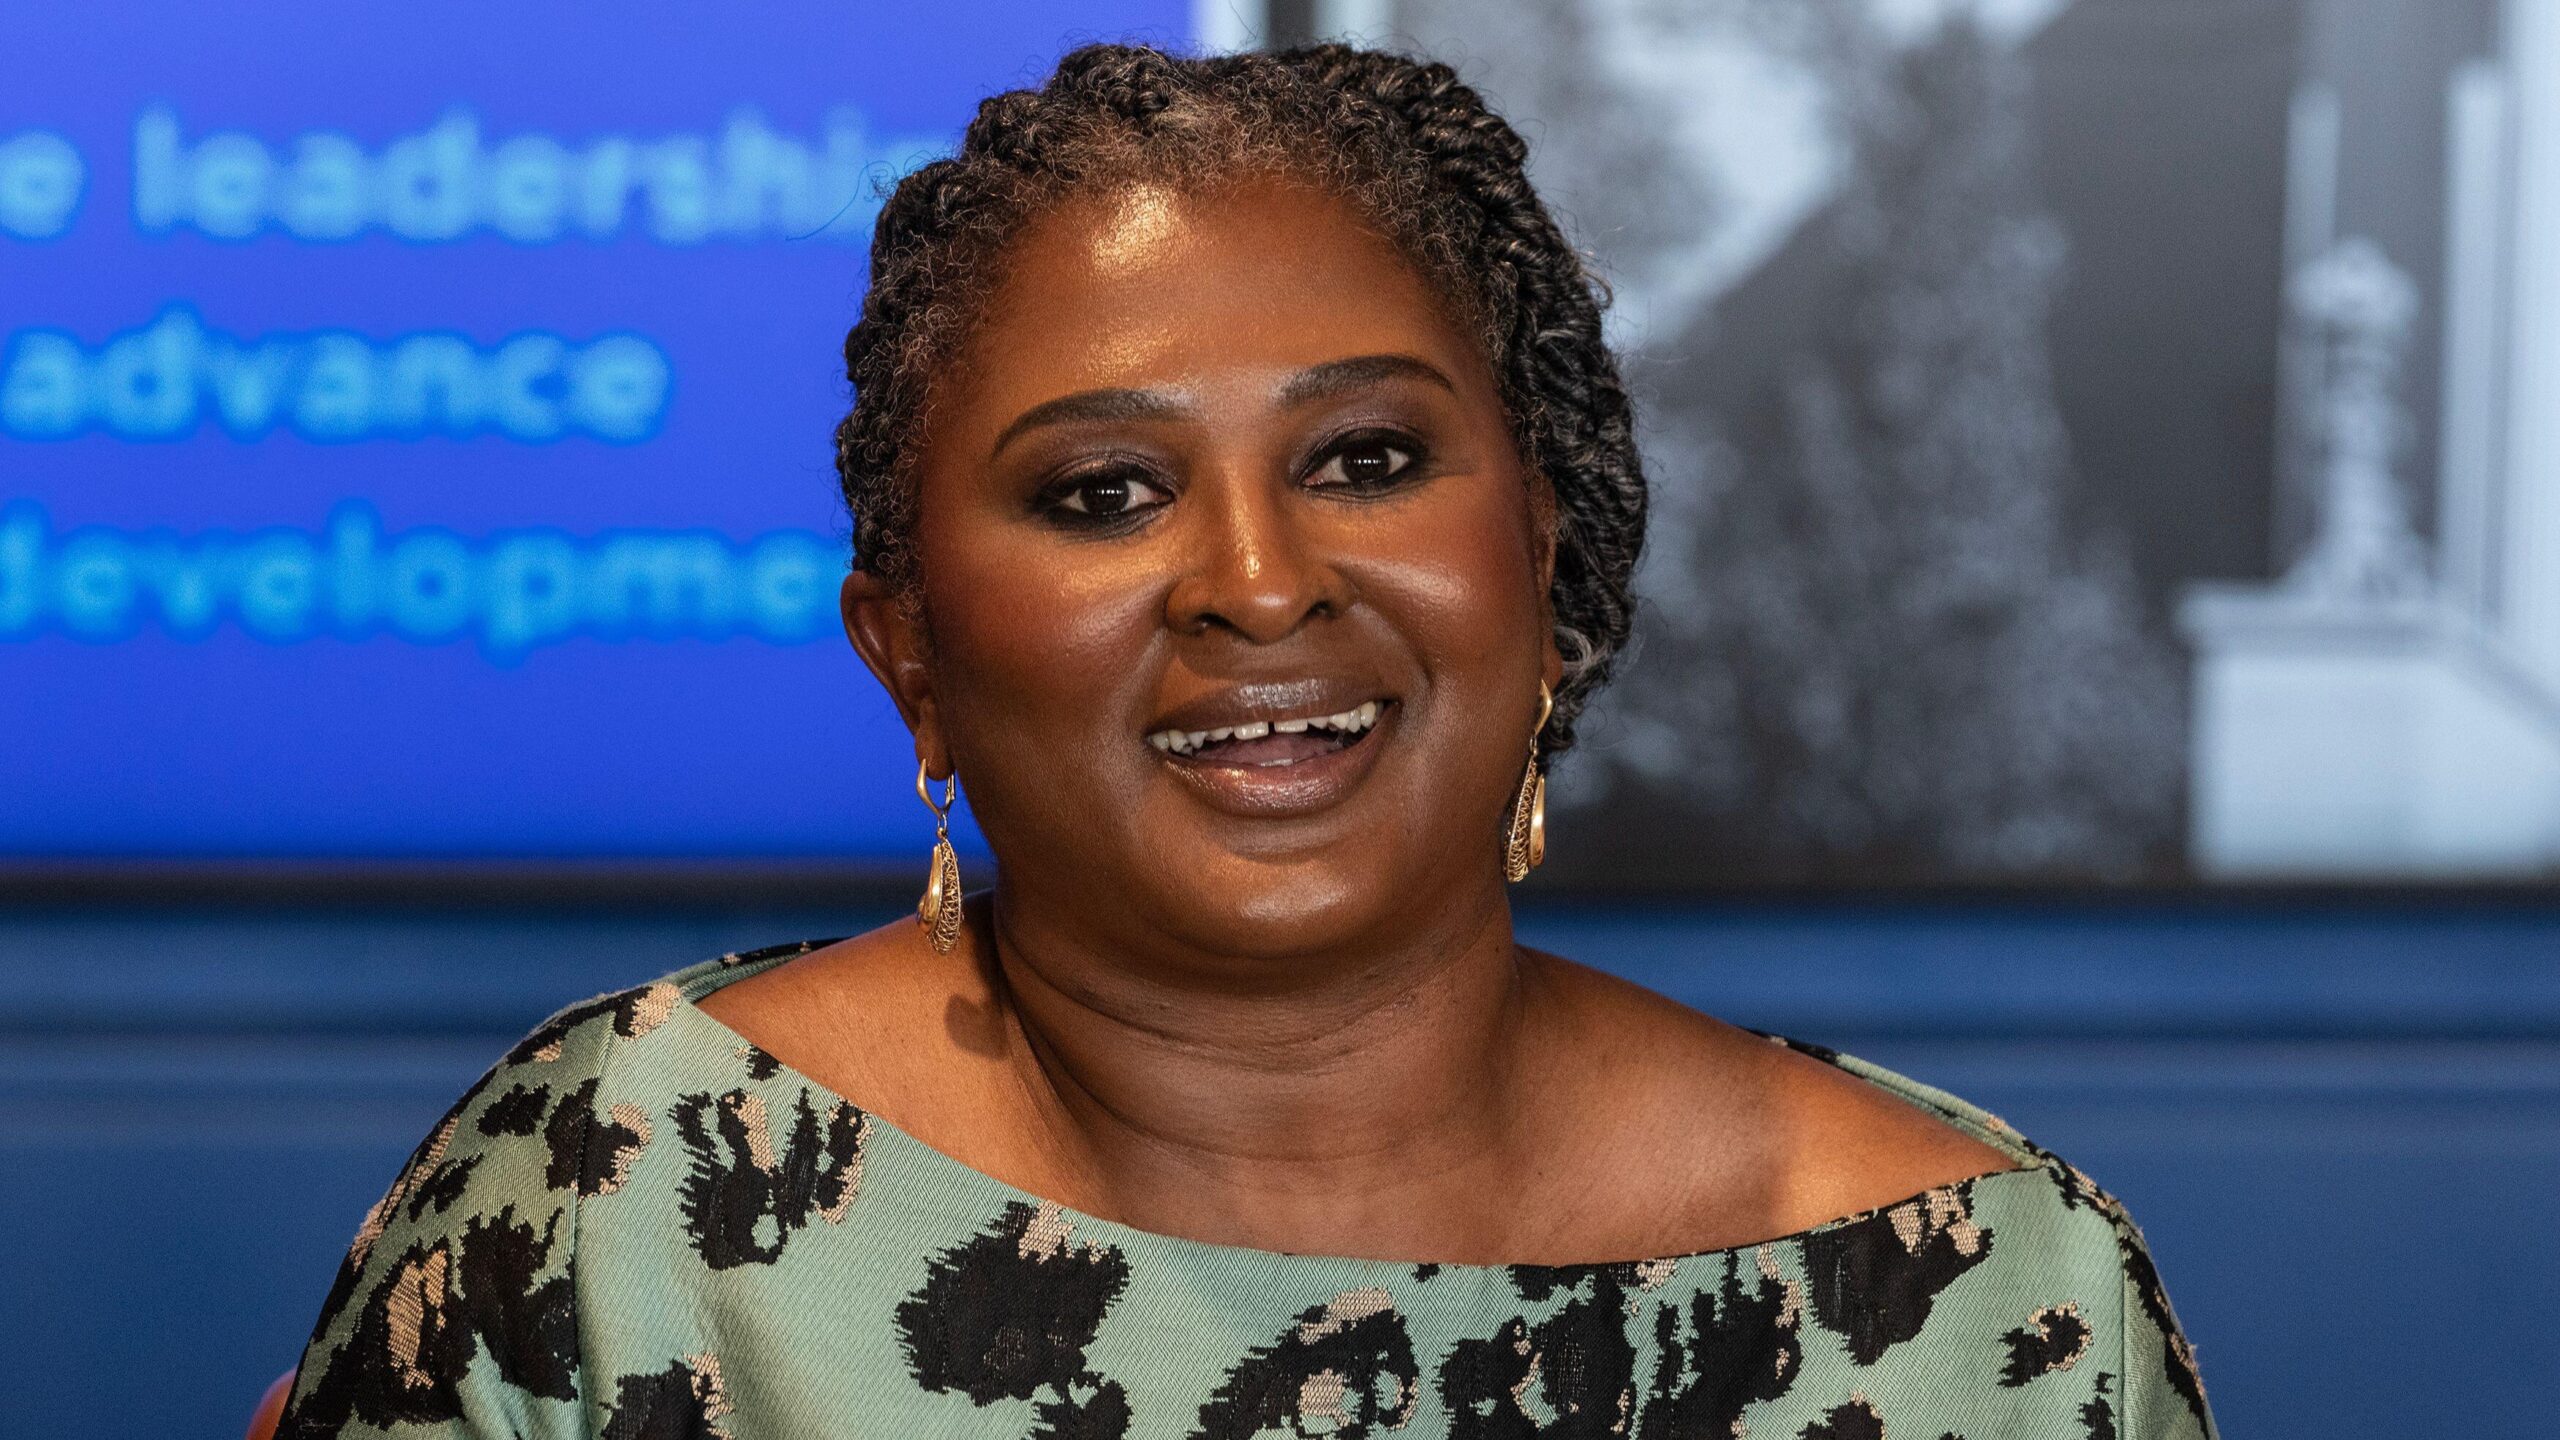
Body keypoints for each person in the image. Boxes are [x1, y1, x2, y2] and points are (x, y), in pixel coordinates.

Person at [270, 42, 2216, 1440]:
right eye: (1104, 493)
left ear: (1540, 559)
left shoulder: (1987, 1303)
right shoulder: (614, 1210)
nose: (1259, 583)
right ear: (911, 657)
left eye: (1365, 459)